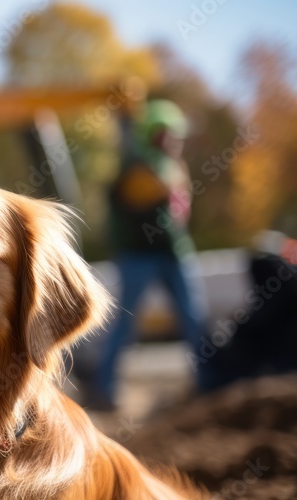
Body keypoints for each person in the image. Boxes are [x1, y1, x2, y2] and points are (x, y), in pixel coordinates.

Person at [91, 99, 207, 410]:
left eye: (175, 134)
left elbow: (179, 213)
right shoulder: (137, 167)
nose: (173, 141)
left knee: (193, 317)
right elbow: (146, 201)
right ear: (153, 136)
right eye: (165, 134)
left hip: (175, 252)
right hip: (138, 256)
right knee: (126, 322)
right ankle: (105, 389)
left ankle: (209, 381)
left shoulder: (172, 168)